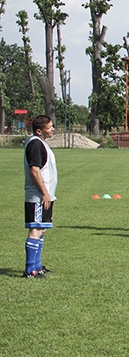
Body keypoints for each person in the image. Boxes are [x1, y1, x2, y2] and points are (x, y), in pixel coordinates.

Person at [23, 115, 57, 279]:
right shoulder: (35, 144)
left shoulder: (41, 143)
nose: (52, 129)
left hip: (45, 195)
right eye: (49, 127)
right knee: (35, 229)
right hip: (38, 196)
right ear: (39, 131)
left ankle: (37, 266)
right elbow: (34, 170)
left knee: (41, 228)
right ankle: (30, 270)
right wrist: (44, 192)